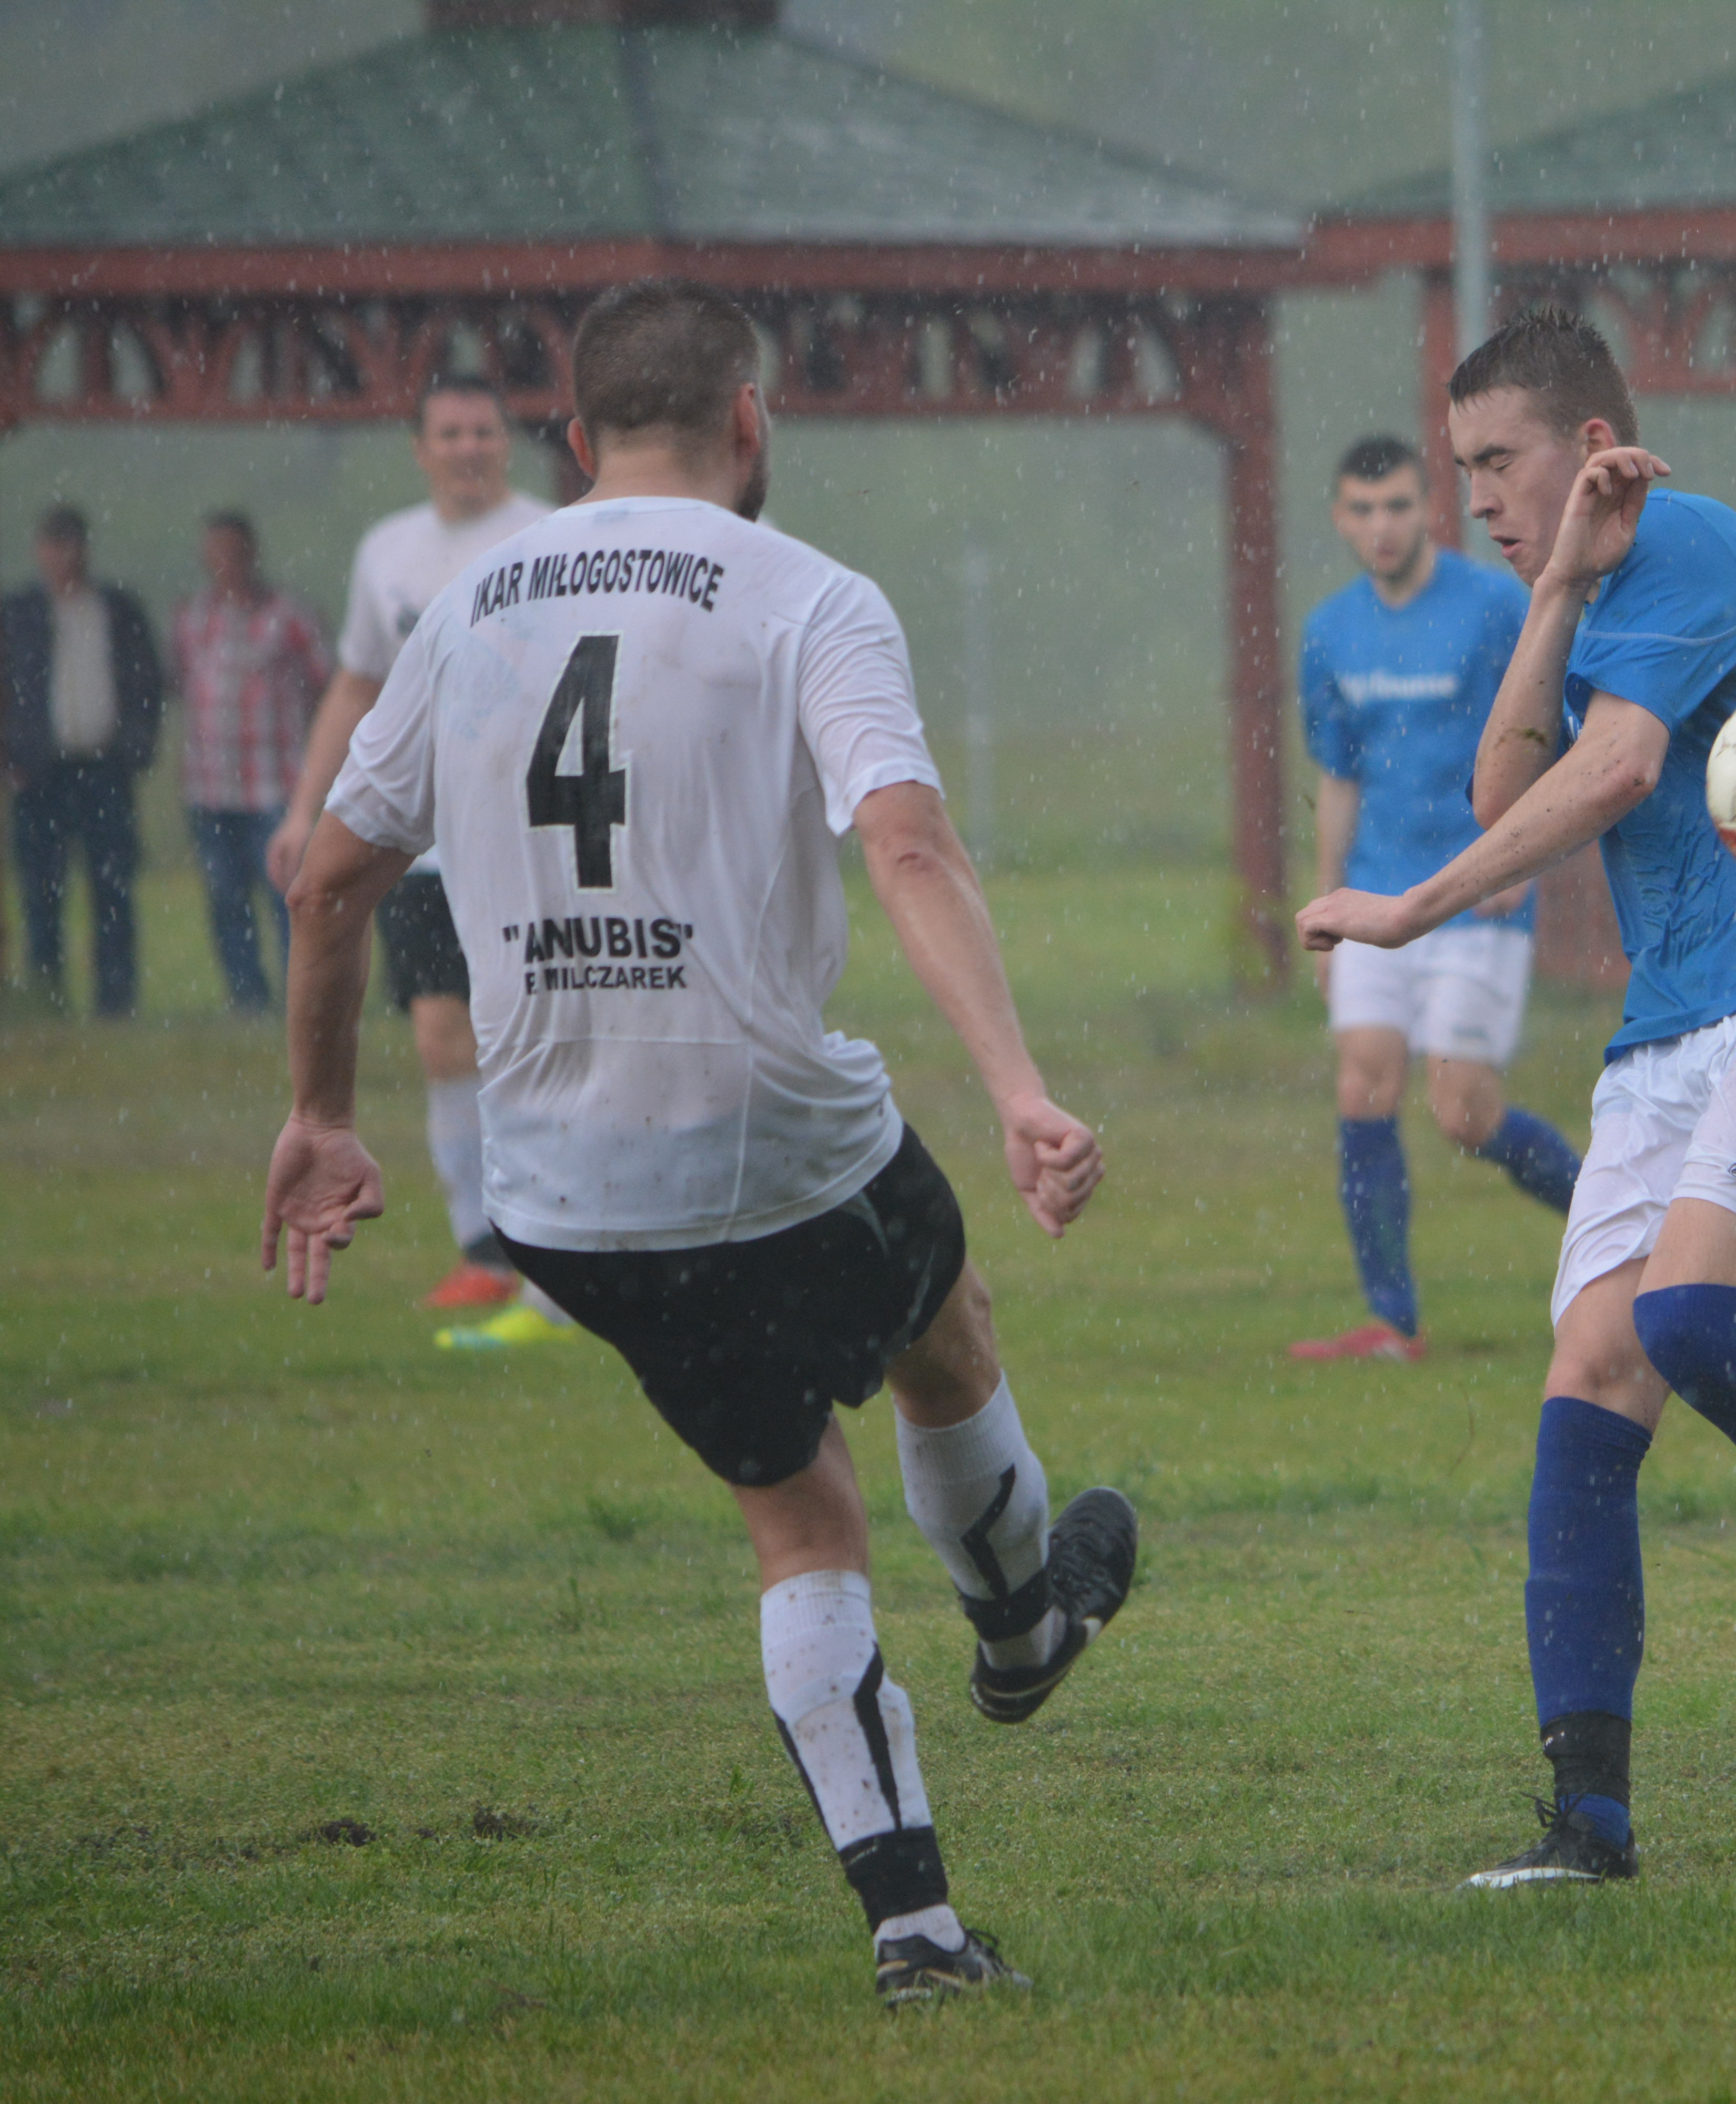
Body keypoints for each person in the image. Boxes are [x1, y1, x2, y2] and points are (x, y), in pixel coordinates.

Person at [264, 278, 1131, 2005]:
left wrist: (320, 1112)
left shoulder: (462, 611)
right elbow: (907, 848)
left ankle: (917, 1932)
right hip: (773, 1135)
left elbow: (334, 875)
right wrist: (1021, 1082)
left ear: (573, 441)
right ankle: (1025, 1624)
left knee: (793, 1510)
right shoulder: (806, 593)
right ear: (752, 425)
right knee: (941, 1324)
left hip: (562, 1190)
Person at [1299, 309, 1736, 1888]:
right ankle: (1589, 1825)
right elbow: (1508, 786)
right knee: (1592, 1377)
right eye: (1461, 468)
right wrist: (1551, 585)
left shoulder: (1686, 538)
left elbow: (1615, 774)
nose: (1476, 495)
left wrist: (1410, 905)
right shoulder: (1564, 583)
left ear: (1591, 442)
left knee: (1690, 1322)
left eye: (1499, 461)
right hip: (1673, 1023)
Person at [268, 377, 557, 1324]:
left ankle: (560, 1248)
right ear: (420, 447)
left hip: (531, 838)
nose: (470, 446)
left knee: (532, 1038)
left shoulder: (553, 533)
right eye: (451, 432)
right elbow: (357, 685)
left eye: (485, 430)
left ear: (506, 443)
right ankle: (484, 1247)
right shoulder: (389, 551)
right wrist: (307, 809)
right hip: (422, 848)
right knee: (443, 1035)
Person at [1292, 432, 1586, 1363]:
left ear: (1431, 509)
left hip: (1476, 897)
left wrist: (1523, 861)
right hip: (1376, 896)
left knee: (1463, 1111)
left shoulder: (1496, 607)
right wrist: (1328, 902)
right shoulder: (1330, 633)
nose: (1383, 527)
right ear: (1340, 518)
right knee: (1363, 1083)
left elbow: (1553, 733)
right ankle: (1392, 1322)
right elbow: (1338, 778)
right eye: (1364, 510)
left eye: (1400, 507)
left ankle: (1625, 1229)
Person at [4, 506, 164, 1017]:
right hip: (38, 773)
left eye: (70, 544)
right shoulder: (19, 615)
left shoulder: (117, 610)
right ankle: (47, 996)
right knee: (40, 889)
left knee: (112, 885)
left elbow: (146, 683)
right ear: (39, 550)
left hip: (104, 769)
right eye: (53, 545)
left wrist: (137, 746)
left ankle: (116, 999)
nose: (62, 556)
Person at [174, 510, 331, 1014]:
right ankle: (246, 998)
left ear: (252, 553)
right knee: (225, 898)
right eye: (216, 553)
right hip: (211, 787)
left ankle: (297, 998)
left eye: (234, 552)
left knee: (288, 897)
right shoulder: (191, 618)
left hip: (275, 785)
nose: (226, 563)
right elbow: (181, 684)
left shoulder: (289, 617)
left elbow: (327, 686)